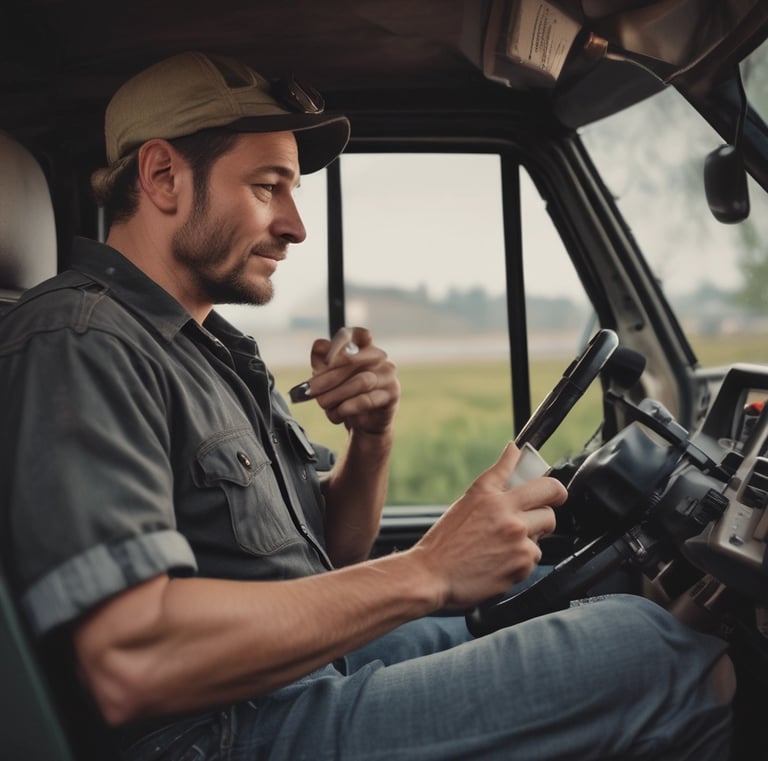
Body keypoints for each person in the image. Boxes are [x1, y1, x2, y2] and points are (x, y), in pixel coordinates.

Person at [0, 51, 735, 761]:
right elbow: (132, 658)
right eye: (267, 187)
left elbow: (331, 559)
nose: (295, 225)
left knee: (572, 592)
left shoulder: (210, 350)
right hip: (219, 730)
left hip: (295, 674)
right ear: (162, 176)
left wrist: (373, 438)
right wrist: (428, 570)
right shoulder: (80, 341)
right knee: (655, 658)